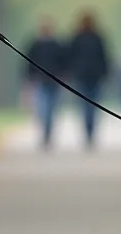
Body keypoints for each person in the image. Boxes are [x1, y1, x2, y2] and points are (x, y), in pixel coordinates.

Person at [67, 10, 111, 151]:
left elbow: (70, 56)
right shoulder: (98, 37)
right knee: (93, 104)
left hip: (81, 75)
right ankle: (90, 130)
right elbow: (104, 57)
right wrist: (106, 73)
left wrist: (70, 71)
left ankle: (88, 130)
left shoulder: (76, 38)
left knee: (84, 104)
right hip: (95, 76)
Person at [23, 16, 68, 151]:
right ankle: (46, 132)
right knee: (44, 108)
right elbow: (28, 62)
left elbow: (64, 61)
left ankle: (48, 132)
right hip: (42, 80)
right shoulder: (36, 45)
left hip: (53, 80)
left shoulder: (55, 45)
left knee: (50, 108)